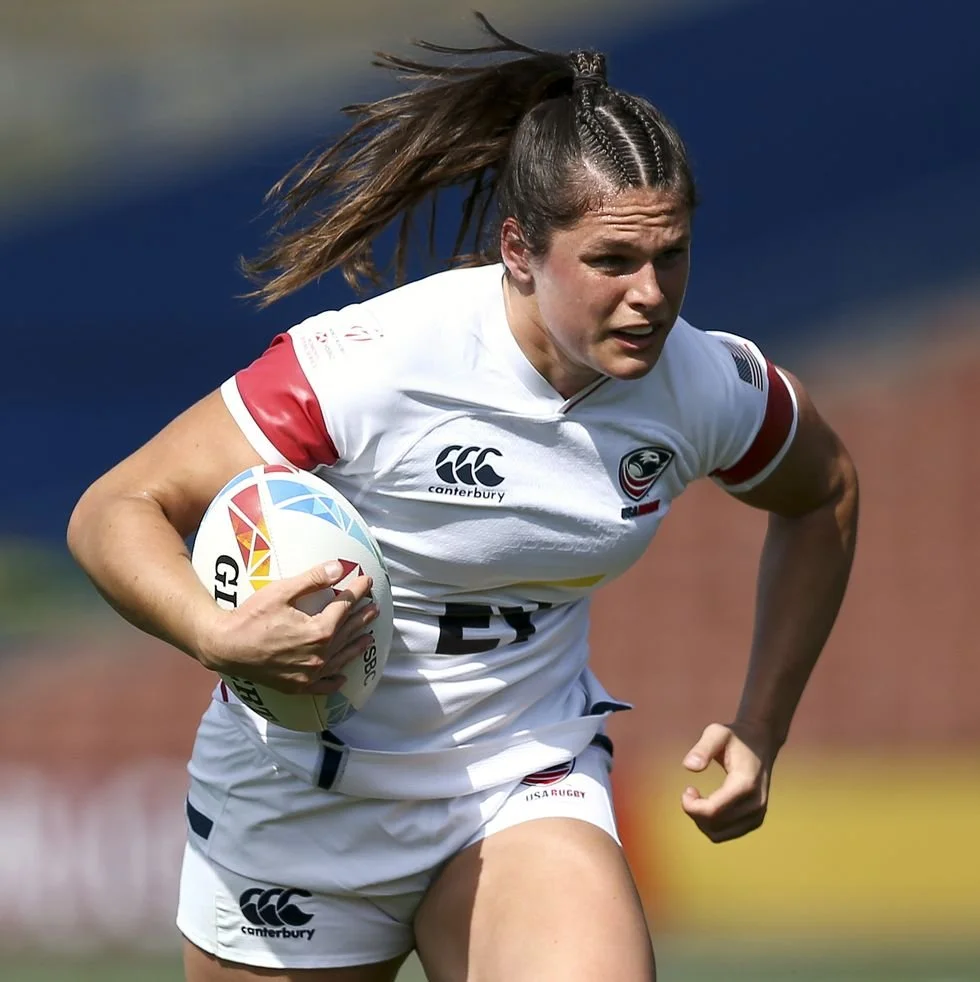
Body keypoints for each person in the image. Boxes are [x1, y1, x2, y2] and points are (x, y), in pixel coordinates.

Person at [67, 14, 858, 982]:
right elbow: (116, 507)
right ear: (519, 249)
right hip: (300, 796)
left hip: (519, 777)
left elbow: (822, 494)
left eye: (672, 255)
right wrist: (213, 632)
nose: (650, 294)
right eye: (611, 261)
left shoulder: (702, 384)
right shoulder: (373, 366)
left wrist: (762, 724)